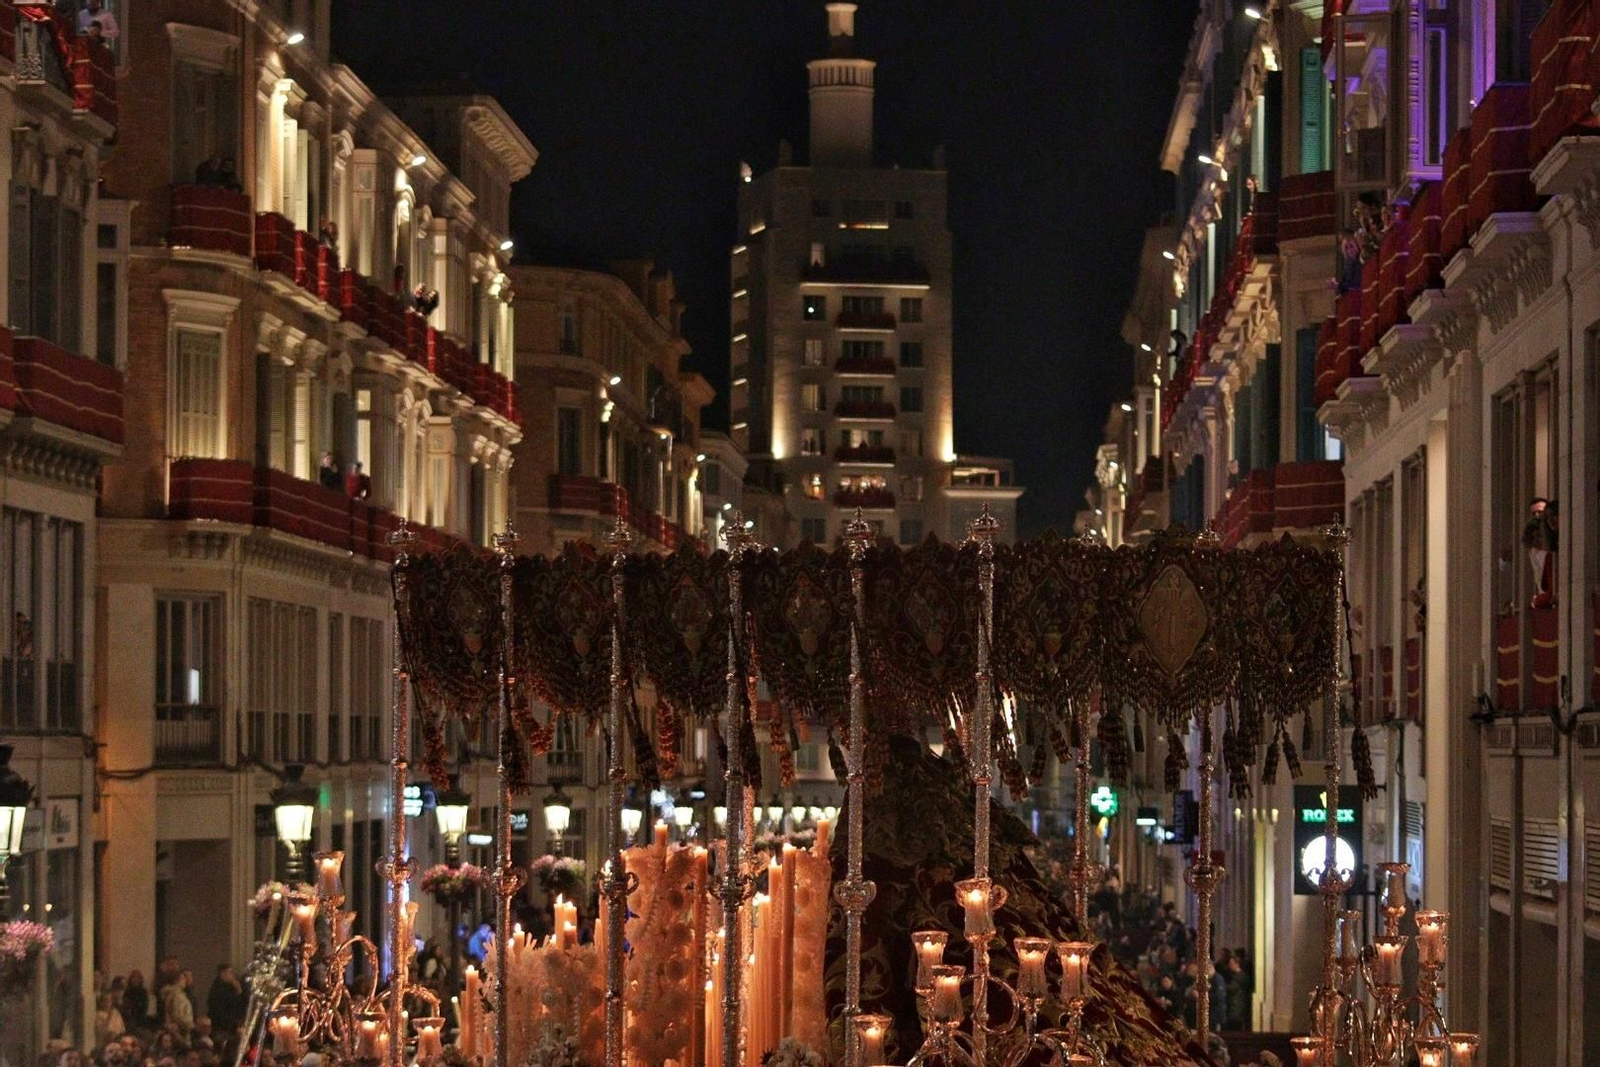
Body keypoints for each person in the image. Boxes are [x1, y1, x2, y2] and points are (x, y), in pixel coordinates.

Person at [206, 965, 246, 1038]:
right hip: (223, 1026)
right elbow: (232, 1005)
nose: (233, 975)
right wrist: (238, 992)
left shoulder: (228, 987)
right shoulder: (219, 990)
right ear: (223, 973)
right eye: (230, 972)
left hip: (228, 1025)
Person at [162, 969, 195, 1038]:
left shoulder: (170, 994)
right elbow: (178, 1015)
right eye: (183, 978)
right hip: (180, 1031)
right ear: (177, 980)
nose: (185, 981)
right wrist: (190, 1025)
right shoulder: (178, 996)